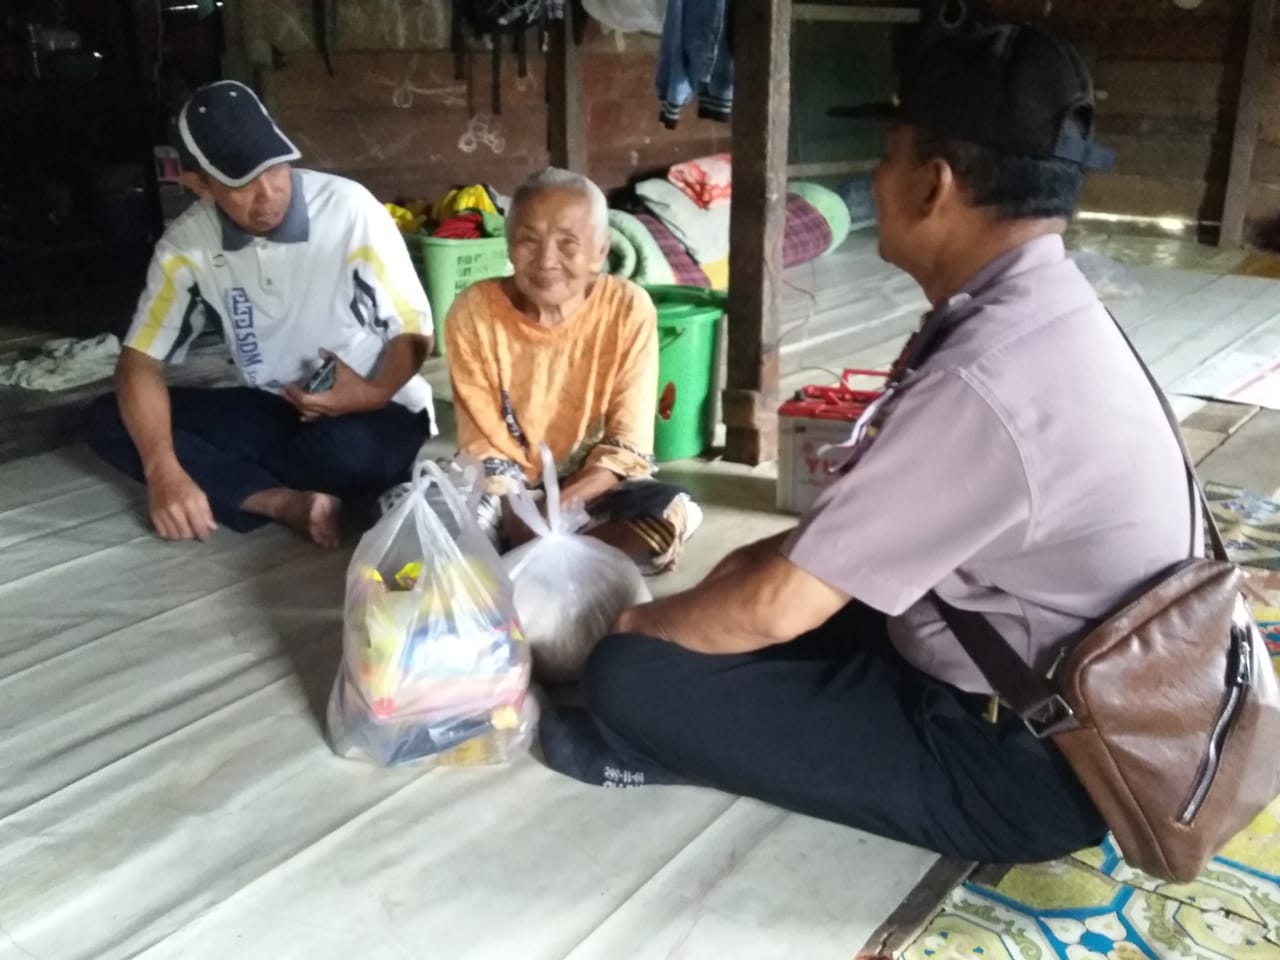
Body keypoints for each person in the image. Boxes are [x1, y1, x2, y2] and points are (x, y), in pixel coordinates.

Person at [537, 25, 1194, 863]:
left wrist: (637, 628)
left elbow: (778, 606)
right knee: (729, 609)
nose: (876, 180)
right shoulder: (1042, 309)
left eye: (888, 157)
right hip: (1011, 656)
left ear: (934, 185)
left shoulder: (988, 379)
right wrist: (723, 589)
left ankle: (673, 743)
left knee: (632, 677)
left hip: (1034, 766)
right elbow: (822, 549)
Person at [85, 81, 435, 548]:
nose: (269, 193)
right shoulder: (185, 247)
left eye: (275, 167)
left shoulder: (348, 209)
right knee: (111, 417)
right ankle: (280, 502)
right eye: (241, 181)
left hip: (374, 408)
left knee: (351, 455)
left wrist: (371, 393)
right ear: (200, 186)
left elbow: (413, 328)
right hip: (273, 407)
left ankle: (236, 481)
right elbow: (139, 362)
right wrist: (162, 469)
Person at [445, 167, 700, 573]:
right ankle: (563, 555)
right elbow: (483, 445)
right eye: (529, 241)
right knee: (443, 522)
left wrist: (557, 509)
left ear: (601, 250)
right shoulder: (474, 311)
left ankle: (548, 556)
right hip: (507, 487)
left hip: (593, 483)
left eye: (567, 243)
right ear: (509, 245)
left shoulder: (627, 308)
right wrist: (520, 515)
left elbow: (627, 445)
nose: (546, 261)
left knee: (669, 512)